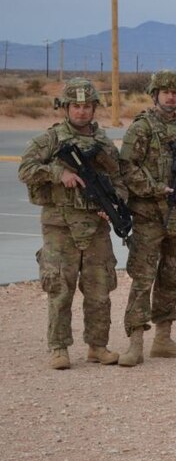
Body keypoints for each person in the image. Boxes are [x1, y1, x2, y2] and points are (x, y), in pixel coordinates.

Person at [18, 77, 123, 370]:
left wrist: (113, 206)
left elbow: (118, 179)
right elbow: (25, 169)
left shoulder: (103, 144)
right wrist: (57, 173)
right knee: (59, 289)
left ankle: (97, 346)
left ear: (94, 109)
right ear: (65, 108)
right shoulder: (50, 140)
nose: (81, 112)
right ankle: (59, 348)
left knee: (99, 289)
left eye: (87, 106)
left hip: (95, 228)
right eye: (75, 106)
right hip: (60, 227)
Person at [117, 70, 176, 367]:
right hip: (148, 215)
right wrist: (156, 189)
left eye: (175, 92)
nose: (170, 96)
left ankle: (163, 338)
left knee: (170, 276)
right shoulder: (142, 128)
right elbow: (127, 168)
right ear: (155, 95)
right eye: (165, 92)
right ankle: (135, 341)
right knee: (142, 278)